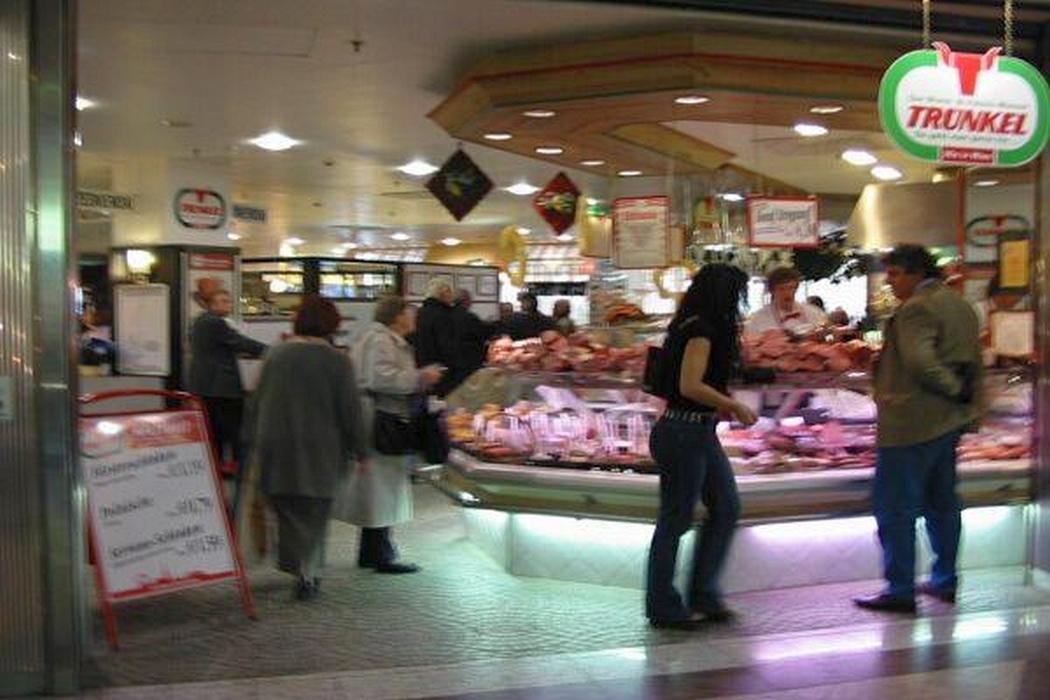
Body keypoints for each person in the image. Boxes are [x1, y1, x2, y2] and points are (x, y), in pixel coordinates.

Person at [853, 245, 981, 614]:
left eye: (894, 274)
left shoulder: (916, 308)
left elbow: (921, 361)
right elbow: (969, 359)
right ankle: (944, 579)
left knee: (895, 509)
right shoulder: (959, 303)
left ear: (915, 273)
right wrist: (962, 396)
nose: (890, 282)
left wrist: (951, 386)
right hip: (948, 422)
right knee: (942, 505)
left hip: (910, 423)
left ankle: (900, 589)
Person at [646, 264, 758, 629]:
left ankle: (704, 593)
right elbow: (690, 385)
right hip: (683, 432)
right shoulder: (701, 331)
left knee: (725, 507)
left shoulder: (690, 324)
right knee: (675, 520)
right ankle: (663, 606)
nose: (740, 302)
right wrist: (733, 405)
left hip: (695, 432)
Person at [244, 295, 367, 600]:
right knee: (315, 512)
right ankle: (308, 571)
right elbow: (350, 410)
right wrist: (361, 450)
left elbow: (256, 401)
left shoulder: (275, 354)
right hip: (320, 449)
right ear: (332, 324)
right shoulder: (338, 360)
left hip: (276, 446)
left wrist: (250, 439)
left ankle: (296, 565)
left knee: (287, 510)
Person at [343, 296, 444, 574]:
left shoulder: (379, 339)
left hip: (379, 417)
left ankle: (373, 550)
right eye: (410, 312)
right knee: (382, 486)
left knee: (379, 486)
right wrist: (421, 377)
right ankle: (381, 554)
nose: (414, 317)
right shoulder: (382, 340)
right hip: (383, 419)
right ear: (397, 316)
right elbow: (381, 378)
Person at [187, 287, 267, 514]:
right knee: (235, 433)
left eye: (229, 301)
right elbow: (239, 343)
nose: (228, 305)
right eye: (223, 301)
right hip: (223, 389)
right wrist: (272, 351)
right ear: (212, 304)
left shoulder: (199, 322)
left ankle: (217, 473)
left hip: (205, 387)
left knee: (214, 434)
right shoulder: (215, 323)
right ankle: (239, 477)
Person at [744, 267, 827, 337]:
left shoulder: (814, 313)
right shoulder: (758, 320)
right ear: (772, 291)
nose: (787, 293)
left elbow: (827, 337)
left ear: (796, 289)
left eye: (791, 288)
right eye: (782, 289)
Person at [414, 278, 458, 396]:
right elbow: (447, 346)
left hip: (420, 369)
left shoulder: (418, 313)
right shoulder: (443, 316)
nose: (452, 297)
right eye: (449, 292)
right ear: (442, 294)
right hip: (439, 370)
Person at [450, 289, 493, 390]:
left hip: (452, 361)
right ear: (465, 301)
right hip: (469, 361)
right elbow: (483, 333)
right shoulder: (469, 317)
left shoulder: (446, 316)